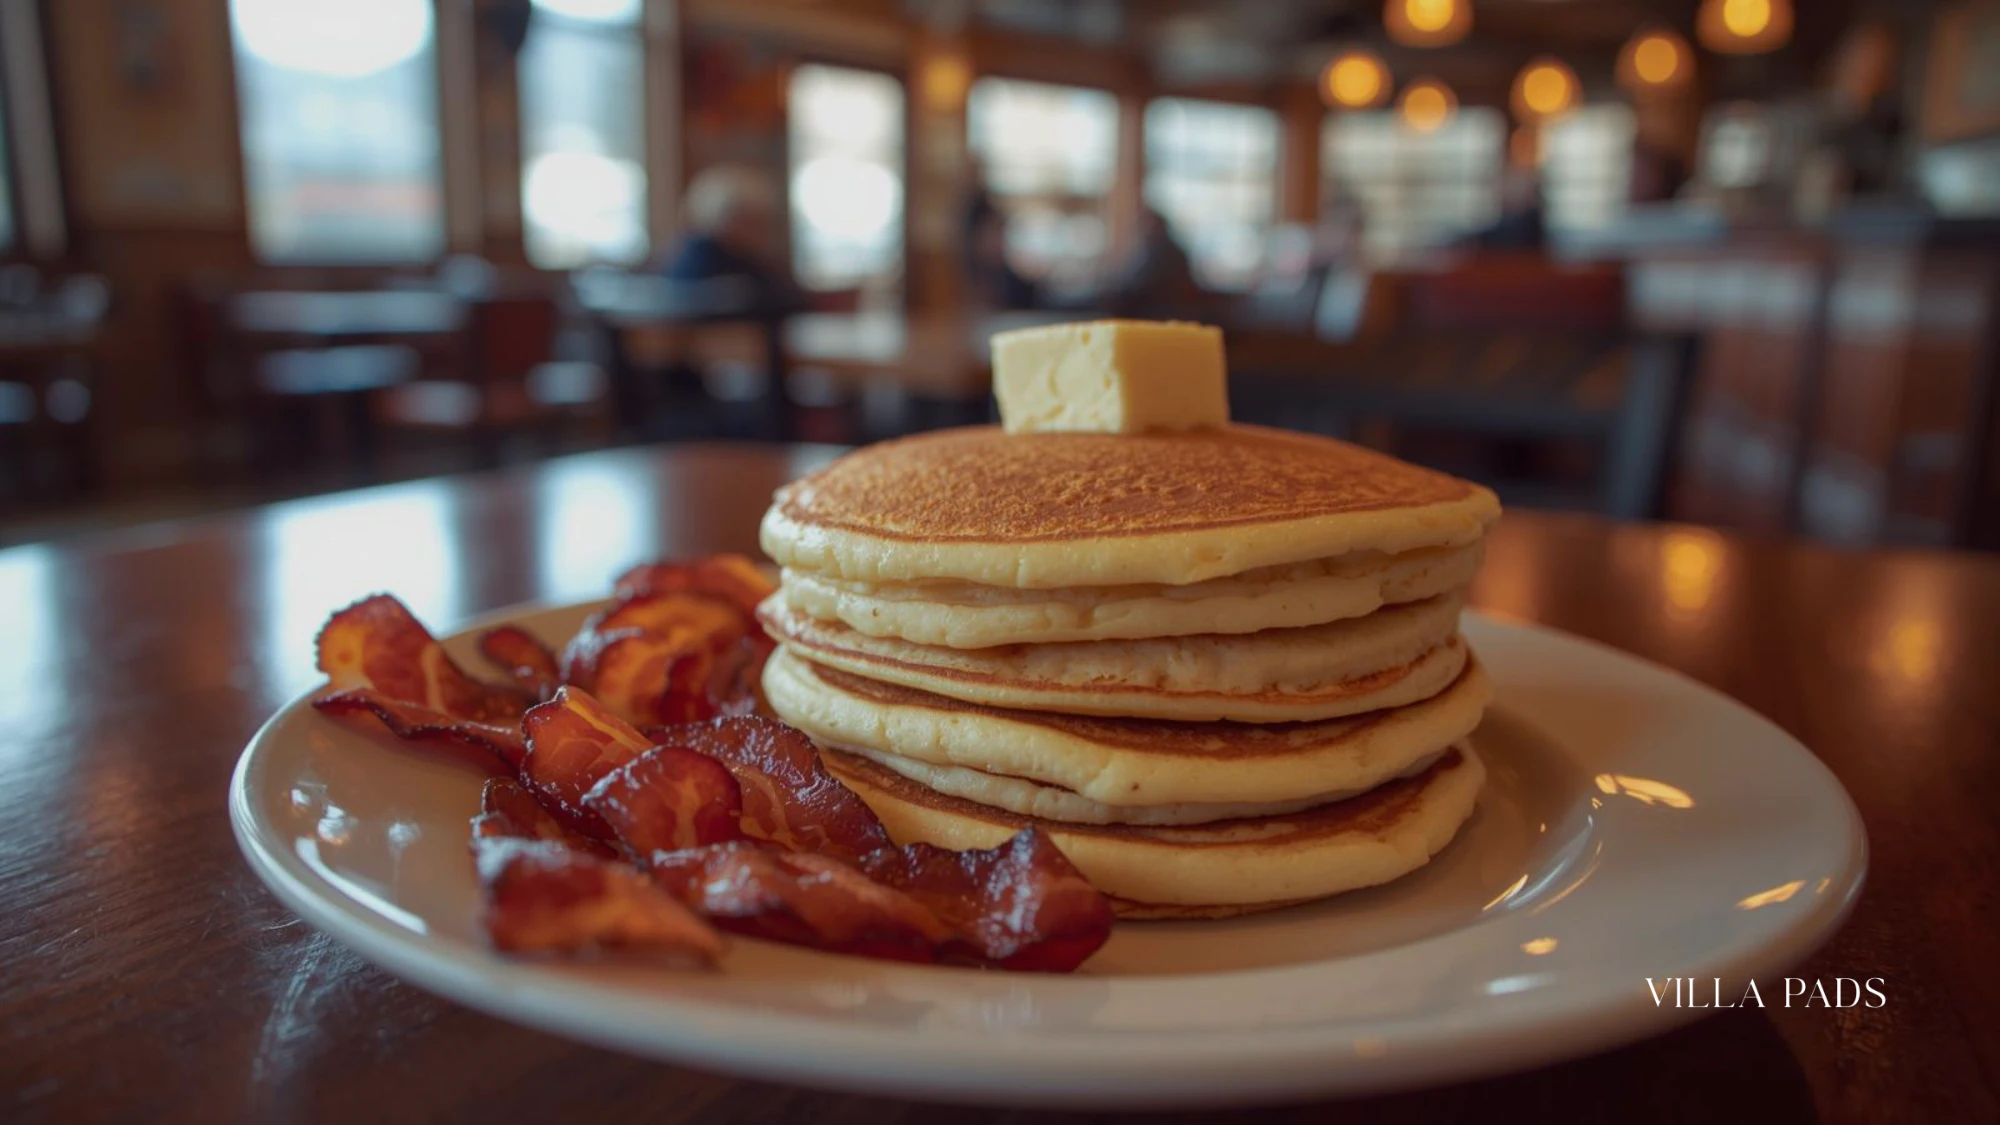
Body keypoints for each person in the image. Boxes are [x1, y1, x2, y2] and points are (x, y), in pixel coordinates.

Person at [660, 166, 805, 317]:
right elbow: (791, 302)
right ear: (728, 219)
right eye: (754, 220)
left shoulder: (678, 258)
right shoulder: (735, 270)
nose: (762, 231)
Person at [1102, 205, 1201, 317]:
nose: (1140, 227)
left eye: (1145, 222)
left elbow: (1146, 285)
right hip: (1159, 305)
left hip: (1159, 308)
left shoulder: (1163, 251)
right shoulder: (1152, 249)